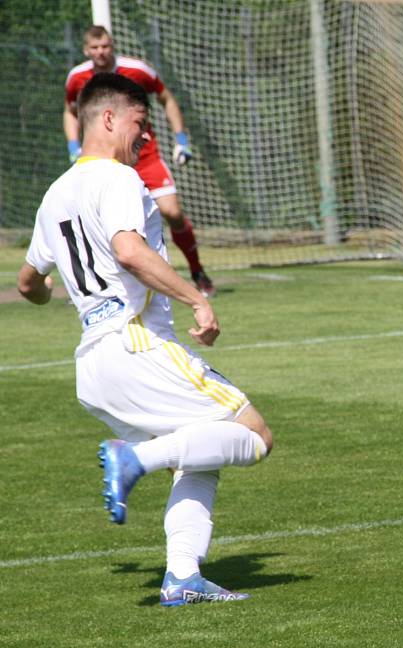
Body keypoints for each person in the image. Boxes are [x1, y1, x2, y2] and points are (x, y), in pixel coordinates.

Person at [19, 73, 272, 606]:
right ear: (108, 118)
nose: (146, 136)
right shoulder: (118, 180)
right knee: (253, 434)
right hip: (137, 346)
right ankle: (136, 459)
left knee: (201, 455)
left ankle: (182, 577)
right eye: (140, 122)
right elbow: (129, 250)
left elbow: (28, 283)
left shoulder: (53, 194)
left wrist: (51, 292)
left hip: (93, 364)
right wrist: (196, 298)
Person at [64, 24, 216, 298]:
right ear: (86, 50)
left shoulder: (137, 70)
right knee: (100, 220)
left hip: (144, 156)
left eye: (106, 46)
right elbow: (70, 110)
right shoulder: (77, 78)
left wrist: (181, 138)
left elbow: (166, 98)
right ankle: (98, 286)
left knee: (172, 213)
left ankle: (197, 270)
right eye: (95, 48)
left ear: (113, 46)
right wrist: (73, 145)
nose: (101, 52)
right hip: (104, 161)